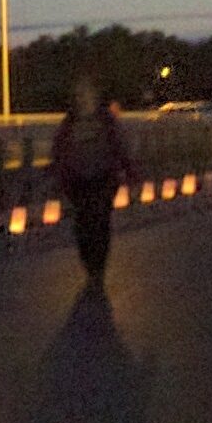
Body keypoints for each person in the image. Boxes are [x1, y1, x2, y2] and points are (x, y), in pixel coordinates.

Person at [50, 75, 134, 288]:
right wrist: (57, 172)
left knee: (100, 223)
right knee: (82, 224)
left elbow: (119, 145)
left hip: (103, 178)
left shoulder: (105, 119)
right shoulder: (70, 121)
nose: (83, 98)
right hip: (77, 180)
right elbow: (59, 149)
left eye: (86, 93)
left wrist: (130, 170)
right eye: (79, 94)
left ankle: (98, 268)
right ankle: (90, 266)